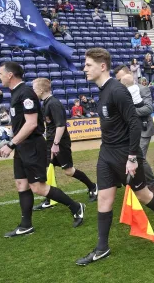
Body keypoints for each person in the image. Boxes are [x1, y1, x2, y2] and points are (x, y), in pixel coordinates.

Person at [76, 48, 154, 266]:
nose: (84, 69)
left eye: (88, 65)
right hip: (106, 153)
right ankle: (102, 248)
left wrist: (132, 157)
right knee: (104, 198)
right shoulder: (102, 90)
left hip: (125, 154)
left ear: (102, 66)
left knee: (143, 195)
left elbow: (134, 124)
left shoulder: (117, 91)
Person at [0, 62, 85, 237]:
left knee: (37, 187)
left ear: (10, 75)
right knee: (21, 184)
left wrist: (11, 144)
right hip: (22, 146)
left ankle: (76, 207)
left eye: (0, 73)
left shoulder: (26, 94)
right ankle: (26, 225)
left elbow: (31, 125)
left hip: (32, 146)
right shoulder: (15, 94)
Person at [32, 78, 97, 210]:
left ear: (41, 90)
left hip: (59, 143)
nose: (33, 92)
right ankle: (49, 199)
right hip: (50, 142)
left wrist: (55, 144)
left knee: (68, 171)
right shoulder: (45, 103)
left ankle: (93, 186)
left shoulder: (54, 104)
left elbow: (61, 126)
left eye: (34, 89)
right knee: (47, 169)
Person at [114, 65, 154, 195]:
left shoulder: (142, 89)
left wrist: (130, 113)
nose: (119, 82)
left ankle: (151, 183)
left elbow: (148, 108)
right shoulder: (119, 91)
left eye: (120, 78)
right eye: (117, 80)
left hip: (144, 128)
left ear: (129, 75)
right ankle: (136, 182)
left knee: (140, 158)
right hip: (129, 130)